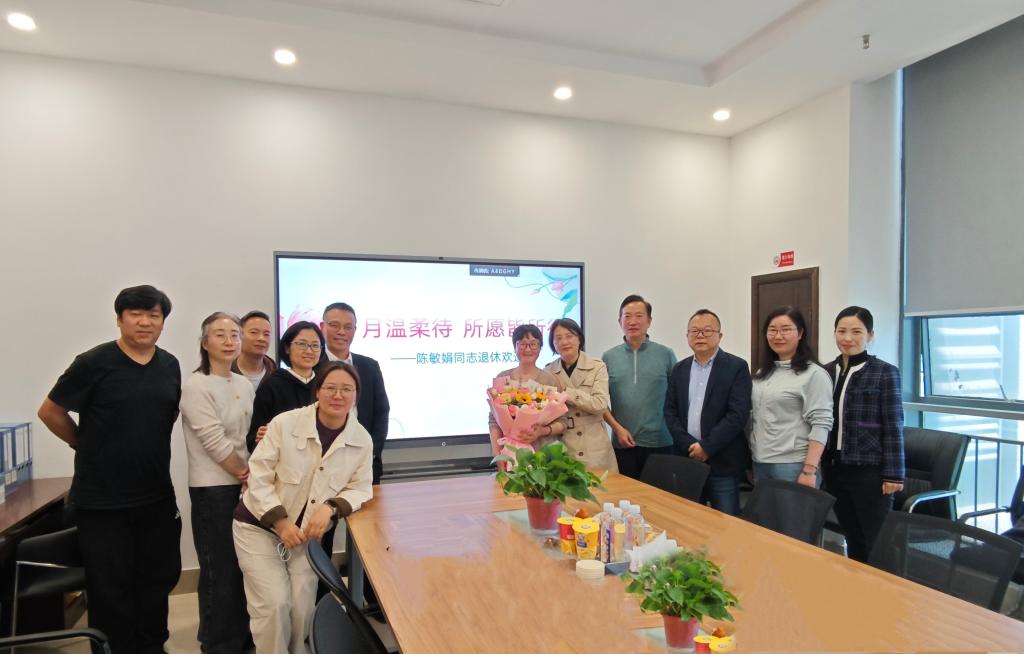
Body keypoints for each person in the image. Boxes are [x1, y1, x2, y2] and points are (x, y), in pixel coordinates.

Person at [37, 284, 182, 654]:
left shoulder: (170, 365)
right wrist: (81, 443)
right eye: (136, 314)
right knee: (109, 587)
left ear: (163, 322)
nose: (145, 322)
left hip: (155, 495)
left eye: (153, 315)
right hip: (102, 500)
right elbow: (50, 412)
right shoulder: (93, 362)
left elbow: (166, 416)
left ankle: (152, 646)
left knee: (156, 579)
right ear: (119, 319)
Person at [232, 362, 373, 654]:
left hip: (305, 538)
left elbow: (361, 487)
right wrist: (281, 523)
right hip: (258, 529)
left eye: (346, 389)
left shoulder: (361, 440)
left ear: (356, 396)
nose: (338, 395)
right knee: (274, 605)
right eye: (330, 387)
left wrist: (332, 507)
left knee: (302, 608)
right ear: (317, 391)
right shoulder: (285, 424)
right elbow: (258, 476)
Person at [179, 312, 255, 653]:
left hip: (243, 486)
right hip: (213, 489)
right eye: (220, 335)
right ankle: (219, 644)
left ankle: (240, 637)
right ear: (205, 342)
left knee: (243, 567)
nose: (229, 341)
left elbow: (247, 436)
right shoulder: (196, 386)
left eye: (234, 335)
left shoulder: (243, 384)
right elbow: (215, 442)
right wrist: (246, 474)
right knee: (219, 571)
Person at [823, 306, 905, 562]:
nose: (847, 338)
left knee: (878, 541)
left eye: (856, 332)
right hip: (834, 468)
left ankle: (888, 586)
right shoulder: (825, 371)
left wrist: (894, 473)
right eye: (841, 331)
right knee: (852, 536)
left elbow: (894, 424)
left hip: (869, 470)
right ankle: (859, 582)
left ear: (870, 335)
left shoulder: (884, 372)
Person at [664, 309, 752, 515]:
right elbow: (670, 412)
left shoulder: (736, 367)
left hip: (723, 461)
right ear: (687, 336)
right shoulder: (679, 369)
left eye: (707, 331)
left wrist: (706, 447)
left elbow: (737, 415)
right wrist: (689, 445)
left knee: (726, 522)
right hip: (687, 458)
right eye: (694, 331)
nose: (700, 336)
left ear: (720, 335)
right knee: (689, 518)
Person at [750, 306, 833, 487]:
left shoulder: (814, 374)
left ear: (800, 333)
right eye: (772, 330)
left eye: (786, 329)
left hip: (793, 465)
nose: (778, 336)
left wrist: (809, 469)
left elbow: (821, 423)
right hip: (760, 461)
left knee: (794, 508)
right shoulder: (763, 373)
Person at [602, 295, 677, 479]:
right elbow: (600, 401)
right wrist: (617, 429)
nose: (633, 321)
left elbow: (678, 397)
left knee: (659, 495)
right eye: (627, 316)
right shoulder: (608, 357)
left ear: (649, 321)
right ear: (619, 322)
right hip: (623, 443)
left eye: (639, 316)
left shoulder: (666, 354)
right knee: (626, 495)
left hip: (661, 442)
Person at [320, 302, 390, 485]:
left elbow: (381, 413)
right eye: (334, 325)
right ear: (322, 327)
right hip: (321, 467)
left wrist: (370, 453)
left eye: (348, 327)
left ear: (355, 330)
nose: (341, 332)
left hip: (364, 466)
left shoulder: (370, 366)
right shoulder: (312, 366)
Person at [488, 324, 567, 469]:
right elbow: (494, 420)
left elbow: (563, 422)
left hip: (543, 455)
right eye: (523, 344)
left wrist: (541, 431)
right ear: (515, 347)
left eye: (533, 344)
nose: (528, 349)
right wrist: (496, 451)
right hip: (510, 454)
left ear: (540, 347)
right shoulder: (503, 378)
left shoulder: (550, 380)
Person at [544, 318, 618, 472]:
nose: (564, 342)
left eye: (569, 336)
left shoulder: (597, 366)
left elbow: (600, 404)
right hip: (563, 444)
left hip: (594, 444)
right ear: (553, 344)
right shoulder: (548, 372)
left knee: (602, 486)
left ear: (579, 338)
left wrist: (566, 391)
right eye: (558, 338)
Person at [246, 321, 322, 452]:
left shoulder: (325, 385)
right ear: (287, 348)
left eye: (315, 345)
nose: (309, 351)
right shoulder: (271, 386)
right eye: (302, 344)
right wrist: (260, 437)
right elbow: (254, 438)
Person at [232, 310, 277, 390]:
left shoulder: (276, 374)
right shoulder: (225, 371)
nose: (261, 338)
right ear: (239, 335)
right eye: (254, 332)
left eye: (266, 334)